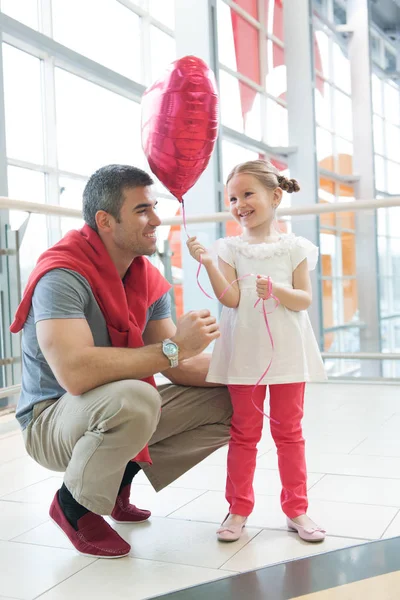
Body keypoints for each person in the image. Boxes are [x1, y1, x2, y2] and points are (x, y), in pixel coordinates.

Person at [11, 164, 232, 559]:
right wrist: (176, 347)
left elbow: (177, 365)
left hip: (110, 409)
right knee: (136, 398)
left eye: (155, 207)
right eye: (142, 210)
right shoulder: (62, 275)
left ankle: (114, 482)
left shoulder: (146, 276)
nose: (156, 220)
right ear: (105, 221)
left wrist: (248, 371)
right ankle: (73, 507)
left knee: (233, 401)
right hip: (50, 421)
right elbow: (76, 373)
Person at [187, 159, 327, 544]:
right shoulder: (228, 248)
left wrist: (277, 290)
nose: (239, 203)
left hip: (287, 356)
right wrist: (208, 263)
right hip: (244, 355)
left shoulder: (296, 247)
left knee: (289, 433)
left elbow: (303, 300)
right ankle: (238, 508)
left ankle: (297, 509)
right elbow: (230, 298)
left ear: (275, 196)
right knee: (244, 434)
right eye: (233, 197)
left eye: (248, 194)